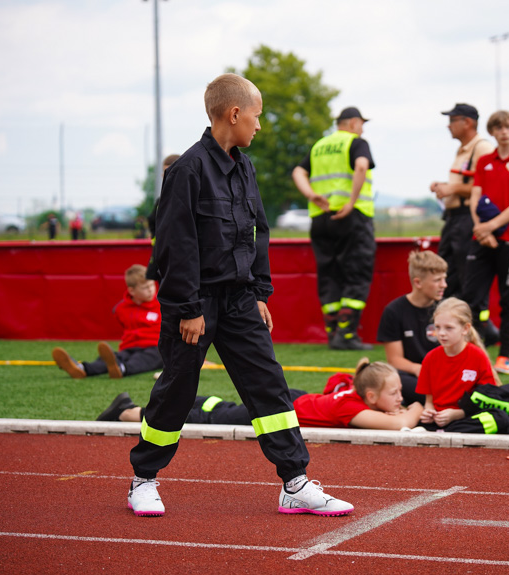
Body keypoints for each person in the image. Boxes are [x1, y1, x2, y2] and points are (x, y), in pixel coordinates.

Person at [128, 73, 352, 518]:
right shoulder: (187, 171)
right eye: (256, 116)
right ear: (234, 114)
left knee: (269, 386)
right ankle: (143, 480)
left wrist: (260, 293)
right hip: (194, 305)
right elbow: (174, 247)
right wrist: (189, 309)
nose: (259, 125)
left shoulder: (244, 165)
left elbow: (258, 233)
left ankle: (295, 483)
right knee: (175, 390)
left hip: (239, 300)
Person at [99, 358, 424, 431]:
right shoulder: (353, 408)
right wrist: (422, 403)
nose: (400, 398)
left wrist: (391, 409)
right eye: (394, 393)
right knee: (214, 418)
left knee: (221, 408)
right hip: (280, 409)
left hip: (293, 399)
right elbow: (402, 424)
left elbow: (341, 381)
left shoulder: (352, 392)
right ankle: (127, 411)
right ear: (369, 396)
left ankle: (185, 400)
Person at [292, 106, 376, 350]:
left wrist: (311, 195)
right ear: (351, 123)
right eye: (361, 123)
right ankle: (347, 334)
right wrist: (350, 202)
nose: (362, 129)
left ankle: (332, 332)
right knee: (356, 272)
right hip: (351, 216)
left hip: (320, 218)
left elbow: (298, 170)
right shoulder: (357, 142)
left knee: (329, 274)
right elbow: (361, 166)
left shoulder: (320, 145)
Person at [462, 110, 509, 375]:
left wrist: (490, 228)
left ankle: (504, 356)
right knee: (472, 297)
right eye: (499, 128)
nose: (504, 132)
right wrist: (482, 231)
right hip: (482, 238)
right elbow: (475, 197)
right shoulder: (484, 162)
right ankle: (474, 352)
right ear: (492, 132)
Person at [416, 297, 509, 434]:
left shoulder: (477, 356)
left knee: (500, 418)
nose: (441, 333)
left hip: (466, 417)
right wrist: (429, 413)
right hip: (439, 419)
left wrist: (457, 414)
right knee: (415, 412)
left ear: (465, 329)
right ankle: (443, 431)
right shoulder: (430, 358)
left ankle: (445, 432)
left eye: (449, 328)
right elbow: (429, 401)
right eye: (437, 327)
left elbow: (486, 400)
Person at [52, 264, 163, 379]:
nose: (151, 290)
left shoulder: (162, 305)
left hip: (154, 347)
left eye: (152, 285)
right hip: (128, 347)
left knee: (144, 359)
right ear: (132, 291)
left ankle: (122, 369)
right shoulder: (121, 309)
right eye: (145, 287)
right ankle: (82, 368)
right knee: (112, 358)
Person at [429, 103, 495, 300]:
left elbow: (486, 188)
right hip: (454, 221)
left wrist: (453, 188)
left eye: (452, 121)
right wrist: (444, 186)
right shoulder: (464, 149)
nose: (448, 126)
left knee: (468, 276)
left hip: (468, 219)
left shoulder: (482, 148)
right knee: (448, 275)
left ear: (467, 123)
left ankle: (478, 325)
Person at [376, 250, 446, 405]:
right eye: (437, 280)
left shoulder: (447, 309)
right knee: (387, 379)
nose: (444, 285)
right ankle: (441, 400)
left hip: (444, 375)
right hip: (412, 376)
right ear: (418, 283)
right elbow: (394, 359)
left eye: (444, 279)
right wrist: (418, 369)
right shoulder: (393, 311)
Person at [146, 154, 181, 282]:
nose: (165, 176)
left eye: (170, 172)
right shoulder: (161, 201)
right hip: (163, 261)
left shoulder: (191, 200)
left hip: (181, 265)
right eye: (164, 172)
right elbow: (153, 223)